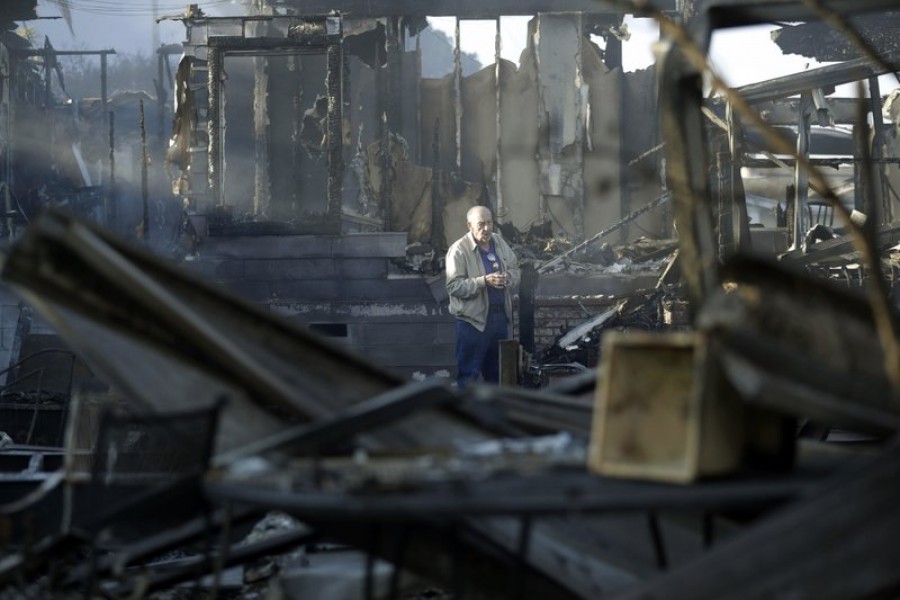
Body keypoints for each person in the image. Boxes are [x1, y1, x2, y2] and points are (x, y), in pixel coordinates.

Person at [446, 205, 520, 388]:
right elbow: (454, 287)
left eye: (489, 223)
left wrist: (509, 278)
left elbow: (515, 268)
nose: (486, 229)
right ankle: (466, 415)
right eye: (481, 224)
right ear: (469, 226)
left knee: (497, 375)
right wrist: (483, 281)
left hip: (500, 318)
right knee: (469, 376)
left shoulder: (498, 242)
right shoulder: (458, 250)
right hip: (473, 322)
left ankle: (492, 415)